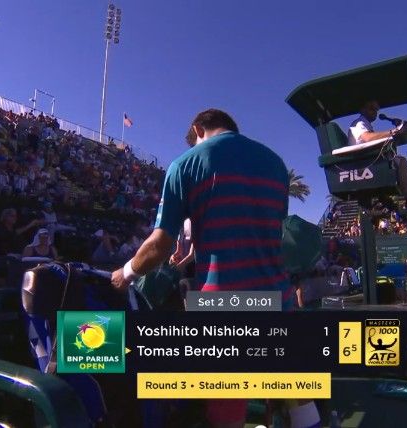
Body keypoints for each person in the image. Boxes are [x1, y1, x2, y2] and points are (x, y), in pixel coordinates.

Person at [111, 109, 318, 428]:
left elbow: (159, 244)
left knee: (226, 413)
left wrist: (124, 274)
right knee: (296, 399)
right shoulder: (276, 164)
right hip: (278, 298)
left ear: (198, 129)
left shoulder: (186, 163)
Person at [347, 100, 407, 207]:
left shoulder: (365, 124)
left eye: (376, 110)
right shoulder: (359, 122)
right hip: (363, 163)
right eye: (372, 108)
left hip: (368, 160)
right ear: (362, 110)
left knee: (400, 160)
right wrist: (393, 132)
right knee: (400, 161)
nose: (375, 112)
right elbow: (367, 137)